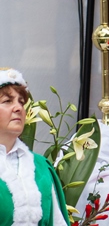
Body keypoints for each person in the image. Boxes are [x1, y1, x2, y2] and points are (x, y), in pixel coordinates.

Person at [0, 68, 69, 226]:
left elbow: (57, 222)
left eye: (21, 102)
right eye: (7, 101)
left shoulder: (41, 167)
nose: (18, 108)